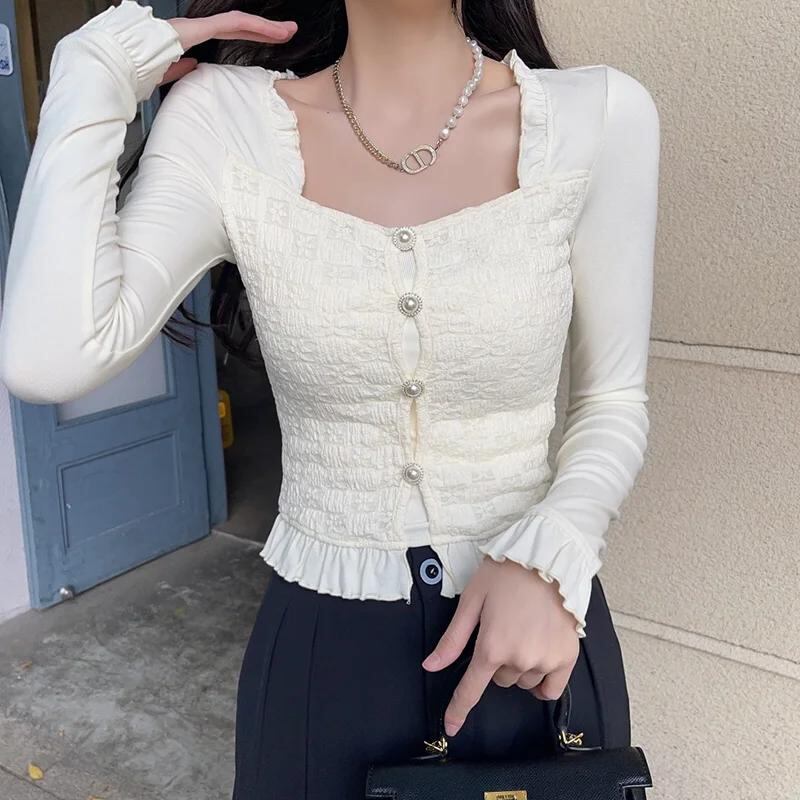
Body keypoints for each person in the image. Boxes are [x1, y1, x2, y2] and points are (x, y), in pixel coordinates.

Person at [0, 0, 660, 798]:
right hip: (324, 657)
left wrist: (555, 551)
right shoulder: (228, 123)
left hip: (534, 648)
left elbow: (612, 400)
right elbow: (48, 357)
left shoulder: (600, 117)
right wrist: (96, 73)